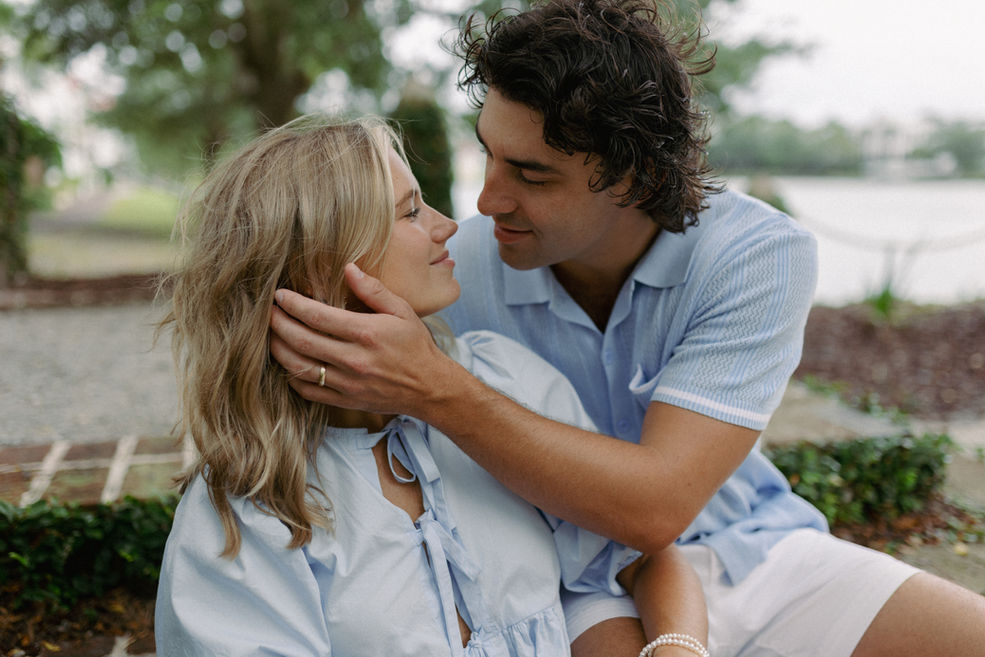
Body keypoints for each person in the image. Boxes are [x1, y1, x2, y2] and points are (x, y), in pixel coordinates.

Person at [268, 1, 985, 656]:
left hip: (744, 547)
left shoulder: (756, 254)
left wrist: (436, 387)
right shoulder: (453, 266)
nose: (486, 201)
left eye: (532, 176)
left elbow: (656, 509)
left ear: (634, 177)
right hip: (556, 578)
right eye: (487, 152)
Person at [154, 114, 710, 656]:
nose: (448, 226)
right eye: (411, 211)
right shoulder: (248, 509)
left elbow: (618, 571)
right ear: (319, 264)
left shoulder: (509, 379)